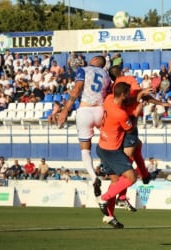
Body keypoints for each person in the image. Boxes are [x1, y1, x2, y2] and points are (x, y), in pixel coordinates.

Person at [57, 55, 110, 184]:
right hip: (100, 110)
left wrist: (65, 110)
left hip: (85, 110)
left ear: (95, 60)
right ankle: (107, 167)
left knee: (85, 149)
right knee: (108, 141)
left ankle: (93, 177)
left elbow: (76, 90)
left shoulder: (84, 70)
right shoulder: (106, 75)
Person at [96, 82, 137, 229]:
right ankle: (103, 198)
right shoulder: (121, 114)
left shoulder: (108, 99)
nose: (129, 95)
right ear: (123, 95)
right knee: (131, 177)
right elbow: (130, 129)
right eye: (128, 93)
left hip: (101, 146)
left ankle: (109, 216)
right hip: (112, 150)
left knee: (115, 183)